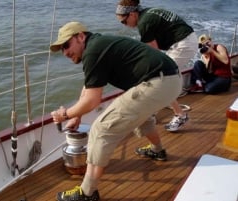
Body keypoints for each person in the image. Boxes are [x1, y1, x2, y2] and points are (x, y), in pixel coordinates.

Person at [50, 21, 181, 201]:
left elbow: (92, 100)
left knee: (101, 129)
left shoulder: (93, 50)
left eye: (66, 45)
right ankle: (158, 151)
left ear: (80, 36)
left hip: (158, 81)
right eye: (61, 49)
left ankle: (86, 194)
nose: (65, 52)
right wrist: (77, 116)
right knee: (141, 117)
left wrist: (64, 115)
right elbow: (88, 88)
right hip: (170, 79)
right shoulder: (97, 45)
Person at [115, 0, 198, 132]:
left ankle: (181, 115)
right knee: (160, 77)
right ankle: (154, 109)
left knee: (163, 79)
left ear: (132, 14)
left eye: (124, 22)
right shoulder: (148, 12)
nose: (125, 25)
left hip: (183, 45)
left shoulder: (144, 23)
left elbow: (154, 54)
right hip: (186, 40)